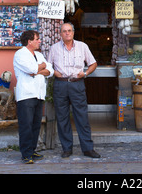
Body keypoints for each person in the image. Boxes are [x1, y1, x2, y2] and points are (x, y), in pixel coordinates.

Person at [47, 22, 100, 159]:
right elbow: (48, 66)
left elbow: (93, 63)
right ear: (60, 34)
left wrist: (86, 73)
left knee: (81, 116)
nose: (67, 33)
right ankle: (67, 148)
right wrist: (54, 72)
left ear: (73, 32)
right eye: (64, 31)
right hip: (61, 84)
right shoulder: (54, 48)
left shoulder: (82, 46)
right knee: (62, 117)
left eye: (69, 30)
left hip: (77, 84)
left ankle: (87, 148)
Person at [13, 30, 54, 164]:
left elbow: (50, 70)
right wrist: (40, 68)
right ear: (29, 41)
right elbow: (31, 70)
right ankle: (26, 154)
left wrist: (39, 69)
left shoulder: (39, 54)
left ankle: (32, 150)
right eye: (37, 39)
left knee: (36, 125)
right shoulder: (20, 54)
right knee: (26, 125)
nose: (39, 41)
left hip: (39, 94)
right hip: (26, 95)